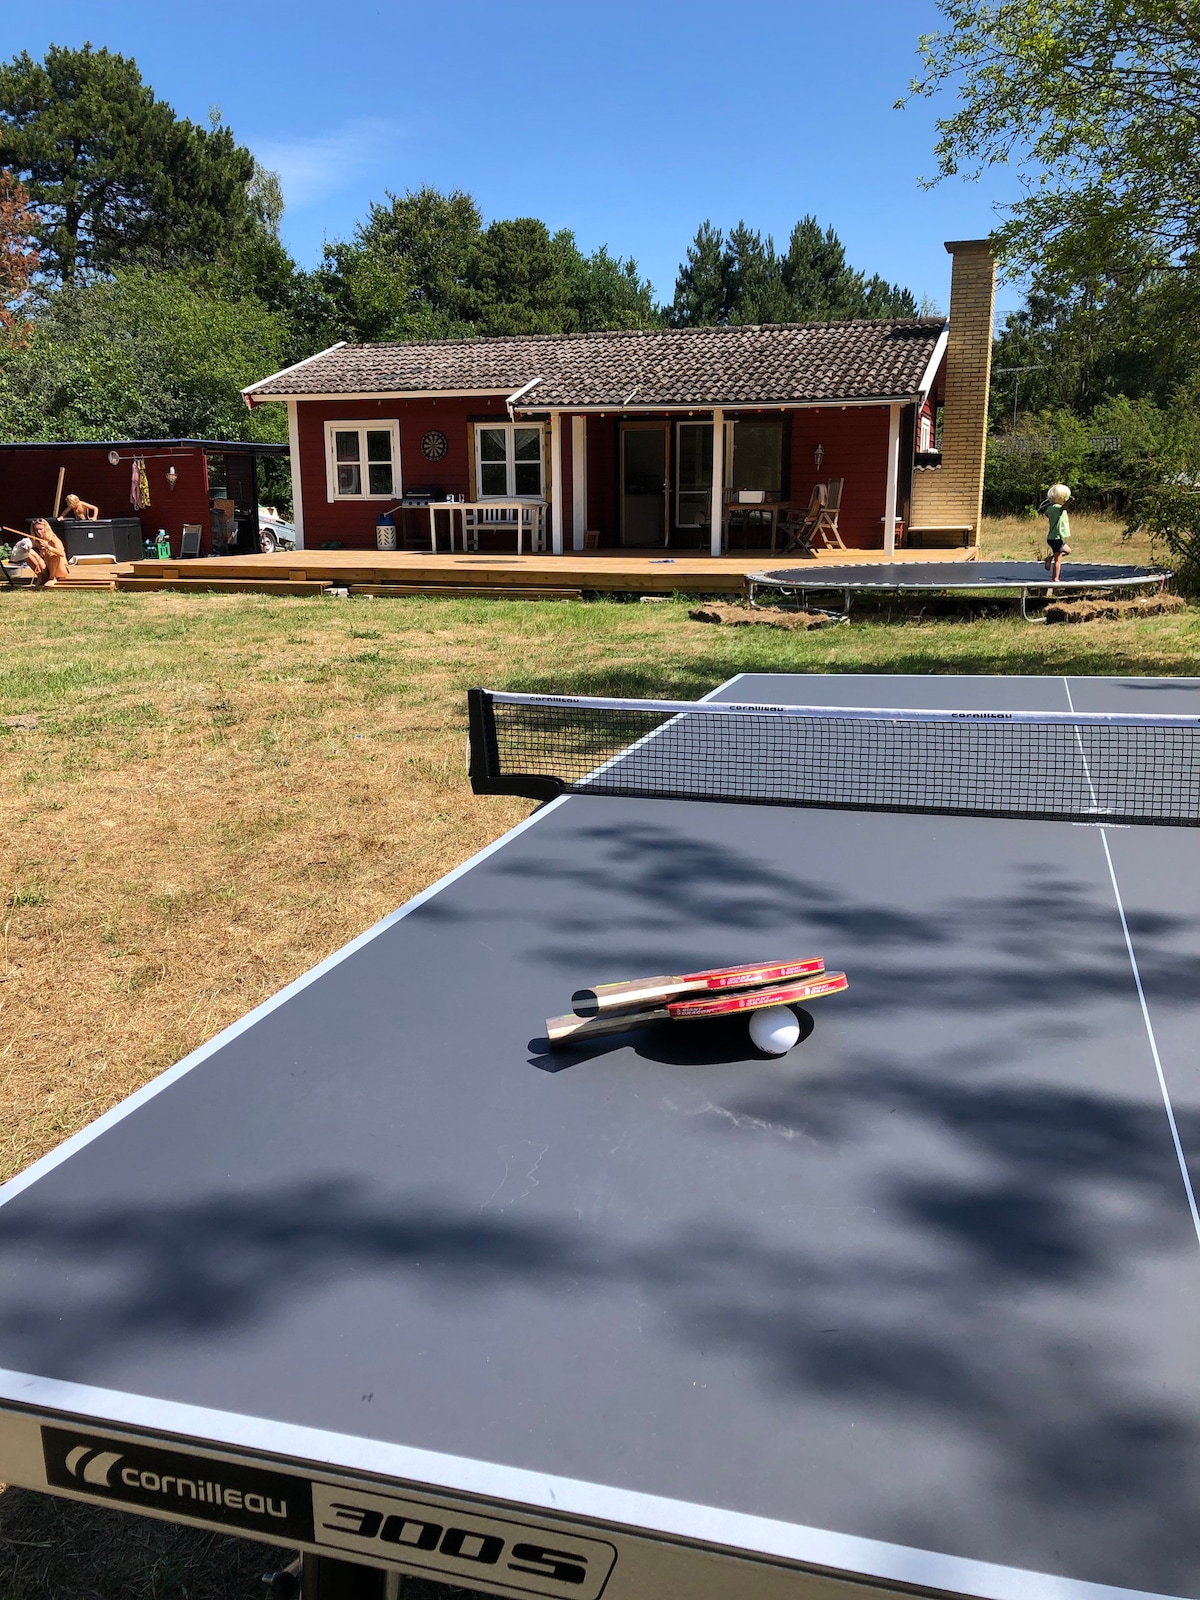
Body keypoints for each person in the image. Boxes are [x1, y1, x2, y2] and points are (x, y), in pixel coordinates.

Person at [1040, 483, 1072, 581]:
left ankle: (1049, 558)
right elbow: (1064, 508)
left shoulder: (1051, 509)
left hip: (1053, 537)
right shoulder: (1057, 508)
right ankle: (1055, 578)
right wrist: (1069, 501)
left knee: (1067, 551)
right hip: (1055, 538)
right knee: (1058, 559)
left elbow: (1046, 513)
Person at [26, 518, 70, 585]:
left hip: (59, 570)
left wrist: (48, 547)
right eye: (36, 530)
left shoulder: (53, 539)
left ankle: (52, 578)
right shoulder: (36, 540)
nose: (38, 532)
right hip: (47, 568)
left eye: (41, 529)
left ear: (46, 529)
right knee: (27, 553)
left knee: (52, 554)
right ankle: (41, 576)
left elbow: (61, 553)